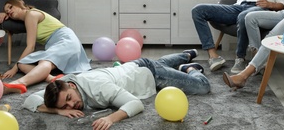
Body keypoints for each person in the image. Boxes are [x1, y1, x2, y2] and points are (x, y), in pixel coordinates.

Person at [22, 50, 210, 129]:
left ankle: (190, 68)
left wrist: (111, 118)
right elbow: (28, 100)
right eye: (66, 105)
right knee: (159, 63)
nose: (72, 104)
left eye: (69, 98)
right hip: (132, 66)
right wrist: (57, 110)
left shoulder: (99, 88)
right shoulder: (61, 86)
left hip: (149, 74)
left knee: (203, 87)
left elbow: (135, 103)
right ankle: (185, 55)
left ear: (72, 86)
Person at [0, 0, 91, 94]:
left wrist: (14, 69)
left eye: (11, 7)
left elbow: (31, 47)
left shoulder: (31, 14)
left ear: (20, 4)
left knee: (41, 62)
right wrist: (3, 14)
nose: (9, 11)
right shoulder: (28, 17)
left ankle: (20, 83)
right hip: (60, 44)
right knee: (22, 64)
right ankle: (51, 78)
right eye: (7, 12)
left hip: (66, 41)